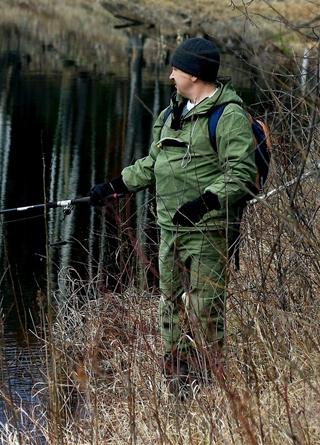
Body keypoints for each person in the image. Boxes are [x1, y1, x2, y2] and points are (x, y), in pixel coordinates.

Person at [87, 37, 256, 397]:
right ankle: (177, 385)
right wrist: (115, 186)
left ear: (194, 75)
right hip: (170, 231)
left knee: (204, 310)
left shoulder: (228, 116)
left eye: (175, 70)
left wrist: (203, 203)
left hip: (209, 233)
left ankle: (206, 386)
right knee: (170, 305)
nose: (170, 76)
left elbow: (241, 174)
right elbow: (154, 163)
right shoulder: (170, 115)